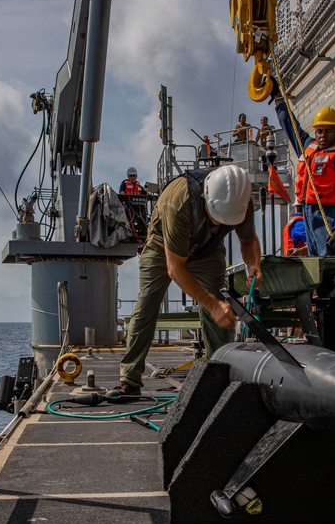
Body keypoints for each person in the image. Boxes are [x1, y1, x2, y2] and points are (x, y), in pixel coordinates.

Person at [109, 165, 262, 397]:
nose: (221, 224)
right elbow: (175, 269)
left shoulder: (240, 201)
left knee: (217, 301)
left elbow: (248, 240)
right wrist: (213, 306)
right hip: (164, 245)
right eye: (217, 217)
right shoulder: (178, 202)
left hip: (207, 249)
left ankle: (220, 376)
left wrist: (254, 266)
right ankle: (129, 379)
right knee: (148, 302)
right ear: (206, 197)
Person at [272, 98, 335, 349]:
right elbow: (291, 127)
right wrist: (279, 101)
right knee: (323, 294)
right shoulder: (309, 148)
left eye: (327, 130)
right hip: (317, 241)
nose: (322, 135)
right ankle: (330, 347)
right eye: (319, 130)